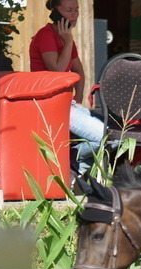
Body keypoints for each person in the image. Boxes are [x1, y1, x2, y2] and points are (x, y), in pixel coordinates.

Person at [29, 0, 106, 176]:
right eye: (69, 10)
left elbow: (79, 71)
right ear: (56, 12)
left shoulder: (64, 39)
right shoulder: (46, 36)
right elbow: (56, 70)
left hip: (67, 105)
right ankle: (69, 161)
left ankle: (72, 173)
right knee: (104, 137)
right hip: (51, 105)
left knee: (114, 137)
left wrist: (78, 101)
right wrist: (68, 42)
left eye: (77, 10)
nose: (75, 14)